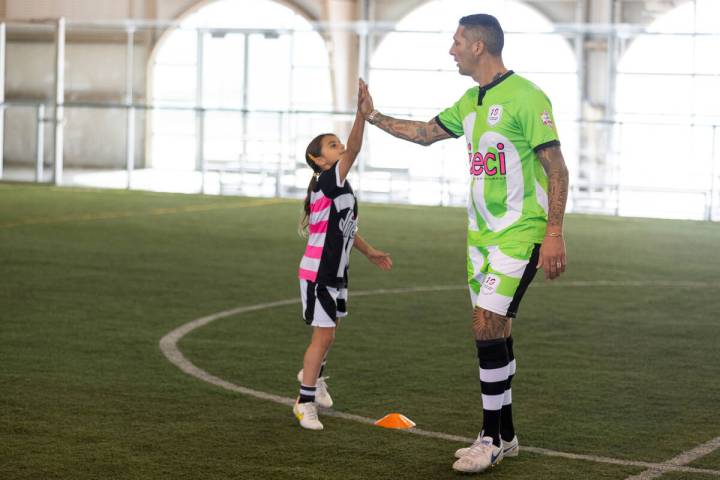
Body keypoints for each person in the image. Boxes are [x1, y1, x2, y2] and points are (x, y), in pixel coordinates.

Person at [359, 13, 569, 473]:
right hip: (480, 239)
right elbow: (425, 134)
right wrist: (371, 116)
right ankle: (507, 435)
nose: (450, 49)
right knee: (497, 329)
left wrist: (553, 233)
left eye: (456, 41)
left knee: (484, 325)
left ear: (478, 46)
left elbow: (556, 167)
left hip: (521, 234)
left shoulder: (527, 96)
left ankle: (489, 439)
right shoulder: (469, 100)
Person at [294, 79, 393, 431]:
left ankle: (313, 377)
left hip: (336, 273)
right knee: (322, 337)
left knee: (329, 336)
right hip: (318, 273)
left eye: (337, 144)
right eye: (331, 146)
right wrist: (361, 115)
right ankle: (304, 402)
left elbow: (347, 229)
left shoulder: (341, 186)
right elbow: (353, 150)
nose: (340, 149)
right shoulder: (327, 181)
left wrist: (368, 252)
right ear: (319, 161)